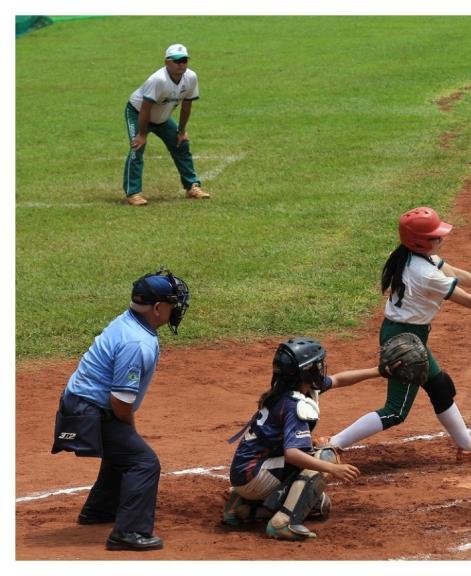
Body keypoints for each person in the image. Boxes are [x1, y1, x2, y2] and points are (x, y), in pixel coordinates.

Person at [326, 207, 471, 463]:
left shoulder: (409, 256)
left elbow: (453, 272)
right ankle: (332, 444)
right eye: (435, 236)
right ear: (420, 241)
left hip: (405, 333)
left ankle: (468, 450)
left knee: (440, 387)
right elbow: (470, 302)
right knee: (396, 411)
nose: (440, 238)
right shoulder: (426, 274)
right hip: (405, 340)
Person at [51, 268, 190, 551]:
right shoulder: (136, 342)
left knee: (124, 452)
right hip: (87, 411)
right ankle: (129, 533)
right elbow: (120, 403)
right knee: (143, 462)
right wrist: (130, 429)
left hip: (81, 404)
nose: (175, 309)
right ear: (157, 308)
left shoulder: (130, 322)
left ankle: (99, 510)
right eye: (172, 304)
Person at [222, 337, 379, 541]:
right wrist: (333, 468)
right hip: (255, 475)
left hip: (246, 472)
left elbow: (340, 379)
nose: (321, 368)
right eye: (317, 365)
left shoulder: (284, 391)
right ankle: (284, 523)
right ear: (305, 371)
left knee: (319, 505)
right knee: (326, 457)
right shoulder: (295, 405)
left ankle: (244, 506)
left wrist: (379, 371)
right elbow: (293, 454)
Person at [123, 43, 210, 206]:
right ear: (167, 62)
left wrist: (181, 131)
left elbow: (186, 105)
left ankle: (192, 186)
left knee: (181, 144)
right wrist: (142, 135)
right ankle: (133, 193)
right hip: (138, 113)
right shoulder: (158, 80)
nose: (181, 64)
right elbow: (145, 108)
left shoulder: (191, 77)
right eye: (177, 61)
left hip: (161, 118)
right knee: (137, 148)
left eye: (184, 60)